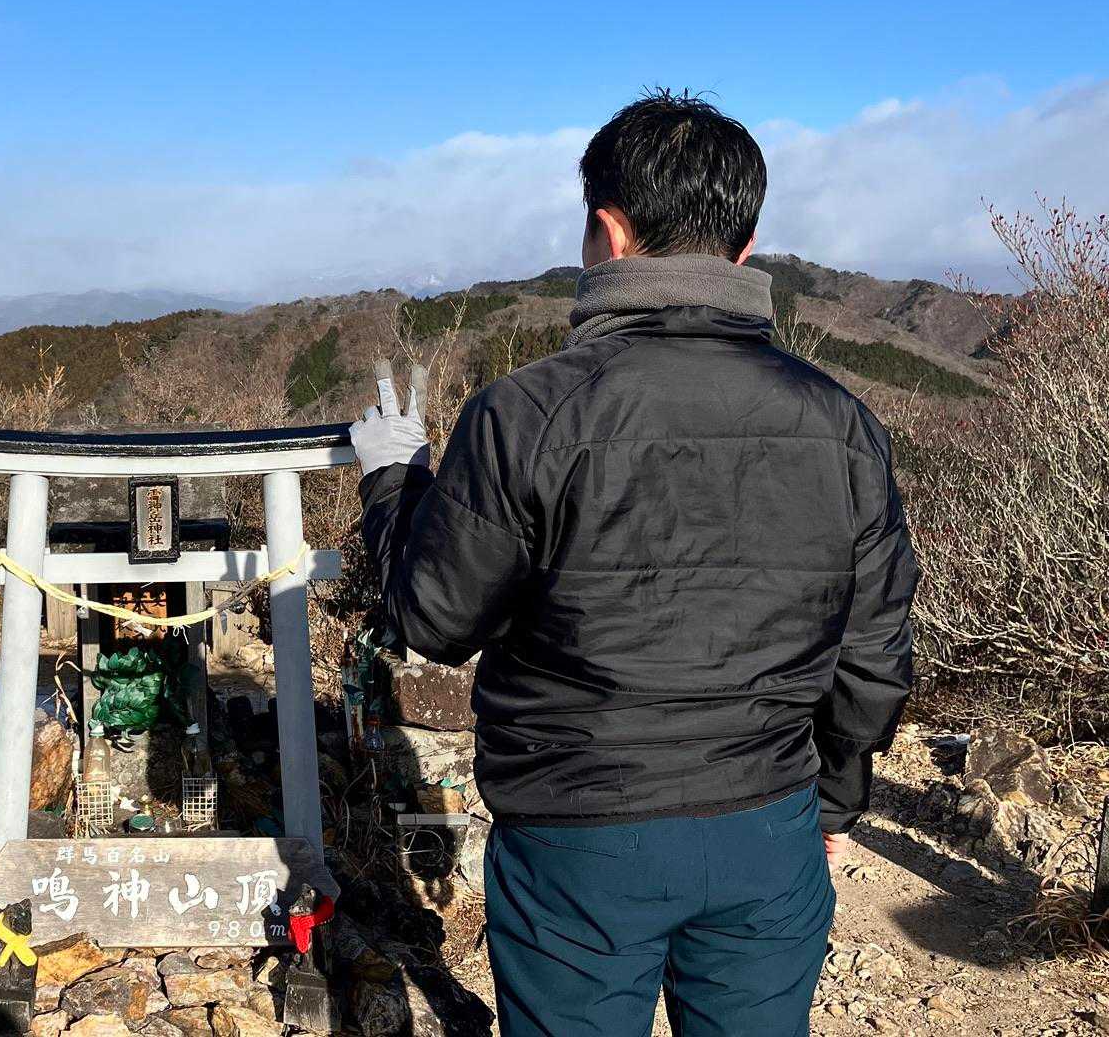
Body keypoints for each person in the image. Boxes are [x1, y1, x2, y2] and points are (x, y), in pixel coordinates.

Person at [349, 90, 917, 1037]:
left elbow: (436, 620)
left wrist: (394, 483)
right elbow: (874, 646)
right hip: (768, 816)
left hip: (579, 828)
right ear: (744, 246)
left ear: (609, 233)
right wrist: (831, 804)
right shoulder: (840, 421)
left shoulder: (526, 412)